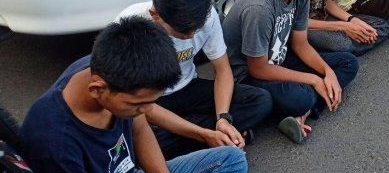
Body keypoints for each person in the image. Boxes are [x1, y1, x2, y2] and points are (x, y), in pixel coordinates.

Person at [20, 17, 248, 172]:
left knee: (231, 159)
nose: (146, 111)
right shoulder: (54, 143)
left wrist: (204, 135)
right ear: (97, 89)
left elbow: (140, 128)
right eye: (138, 104)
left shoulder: (106, 70)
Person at [116, 0, 272, 159]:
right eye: (183, 31)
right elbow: (142, 107)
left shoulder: (204, 15)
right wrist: (204, 133)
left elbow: (223, 70)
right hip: (152, 100)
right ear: (155, 14)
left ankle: (210, 134)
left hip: (189, 86)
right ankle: (214, 136)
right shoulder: (130, 27)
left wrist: (222, 118)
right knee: (137, 142)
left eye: (196, 29)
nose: (191, 35)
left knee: (260, 101)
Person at [224, 0, 358, 144]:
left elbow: (300, 44)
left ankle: (301, 114)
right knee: (300, 97)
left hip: (279, 59)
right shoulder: (259, 9)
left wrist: (327, 72)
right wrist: (314, 79)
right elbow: (258, 69)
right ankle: (306, 105)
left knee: (348, 63)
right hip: (248, 75)